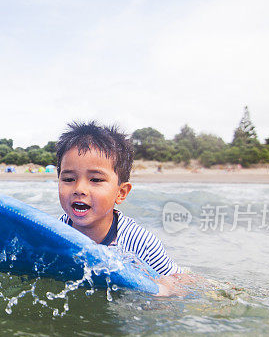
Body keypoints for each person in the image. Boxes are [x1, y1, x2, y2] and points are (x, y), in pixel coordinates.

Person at [56, 121, 182, 285]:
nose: (79, 189)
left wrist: (165, 290)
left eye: (95, 179)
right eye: (69, 179)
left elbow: (177, 280)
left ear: (121, 193)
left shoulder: (140, 242)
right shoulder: (54, 232)